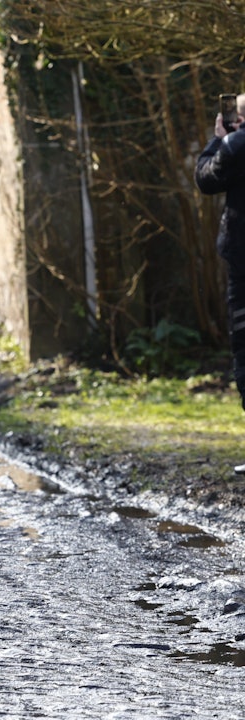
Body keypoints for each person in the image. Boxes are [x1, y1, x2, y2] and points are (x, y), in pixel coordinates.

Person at [195, 93, 245, 475]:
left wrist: (218, 139)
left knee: (243, 346)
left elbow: (206, 179)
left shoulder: (234, 145)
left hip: (242, 261)